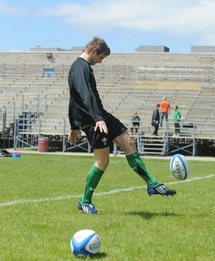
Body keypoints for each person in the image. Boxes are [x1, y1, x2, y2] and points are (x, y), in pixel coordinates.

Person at [68, 37, 176, 214]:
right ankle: (85, 201)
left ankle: (152, 184)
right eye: (101, 57)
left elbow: (75, 99)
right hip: (94, 121)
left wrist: (75, 125)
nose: (101, 61)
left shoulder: (84, 67)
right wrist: (92, 120)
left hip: (101, 116)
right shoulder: (79, 67)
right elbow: (83, 95)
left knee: (129, 143)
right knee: (102, 161)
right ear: (94, 51)